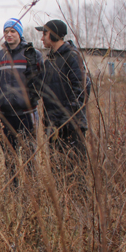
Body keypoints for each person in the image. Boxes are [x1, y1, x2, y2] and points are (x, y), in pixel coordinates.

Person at [0, 18, 43, 165]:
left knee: (29, 157)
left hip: (27, 113)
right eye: (6, 31)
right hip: (5, 115)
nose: (9, 34)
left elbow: (40, 80)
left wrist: (31, 99)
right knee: (9, 157)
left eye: (13, 31)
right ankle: (13, 187)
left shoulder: (32, 54)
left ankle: (30, 187)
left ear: (19, 33)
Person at [36, 19, 89, 157]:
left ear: (53, 34)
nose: (42, 38)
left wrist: (67, 118)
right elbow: (40, 90)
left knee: (74, 171)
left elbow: (81, 89)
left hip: (71, 127)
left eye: (45, 34)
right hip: (54, 127)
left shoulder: (72, 56)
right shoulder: (49, 62)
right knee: (57, 172)